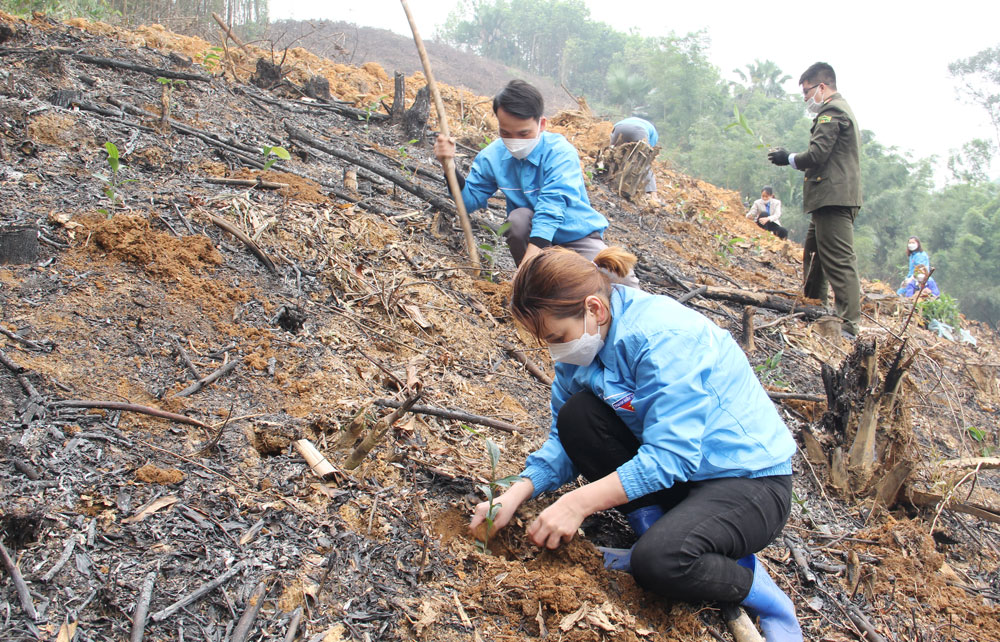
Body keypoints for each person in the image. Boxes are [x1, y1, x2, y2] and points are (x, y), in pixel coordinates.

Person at [470, 246, 803, 642]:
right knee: (577, 416)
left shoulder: (663, 338)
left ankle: (766, 597)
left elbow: (671, 456)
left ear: (595, 309)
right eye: (547, 341)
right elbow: (565, 437)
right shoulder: (582, 350)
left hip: (749, 484)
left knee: (660, 563)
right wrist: (516, 491)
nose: (556, 350)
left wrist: (576, 502)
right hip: (683, 475)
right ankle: (660, 527)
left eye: (557, 337)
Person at [434, 80, 638, 286]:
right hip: (531, 235)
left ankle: (534, 280)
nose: (514, 141)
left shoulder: (559, 153)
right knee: (518, 220)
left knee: (621, 282)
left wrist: (524, 268)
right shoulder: (493, 156)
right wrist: (448, 167)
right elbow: (468, 202)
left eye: (523, 133)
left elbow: (551, 209)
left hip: (576, 236)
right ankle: (535, 290)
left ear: (541, 124)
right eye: (505, 133)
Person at [767, 62, 862, 339]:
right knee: (814, 253)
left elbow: (818, 154)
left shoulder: (832, 112)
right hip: (829, 198)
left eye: (807, 92)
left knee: (840, 260)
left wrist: (789, 159)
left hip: (834, 198)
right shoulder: (838, 110)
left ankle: (847, 325)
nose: (807, 98)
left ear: (822, 87)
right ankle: (814, 306)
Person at [610, 117, 660, 202]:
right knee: (643, 161)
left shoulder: (633, 119)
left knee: (614, 154)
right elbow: (649, 151)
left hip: (618, 128)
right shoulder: (653, 131)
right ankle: (653, 195)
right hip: (638, 131)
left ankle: (610, 178)